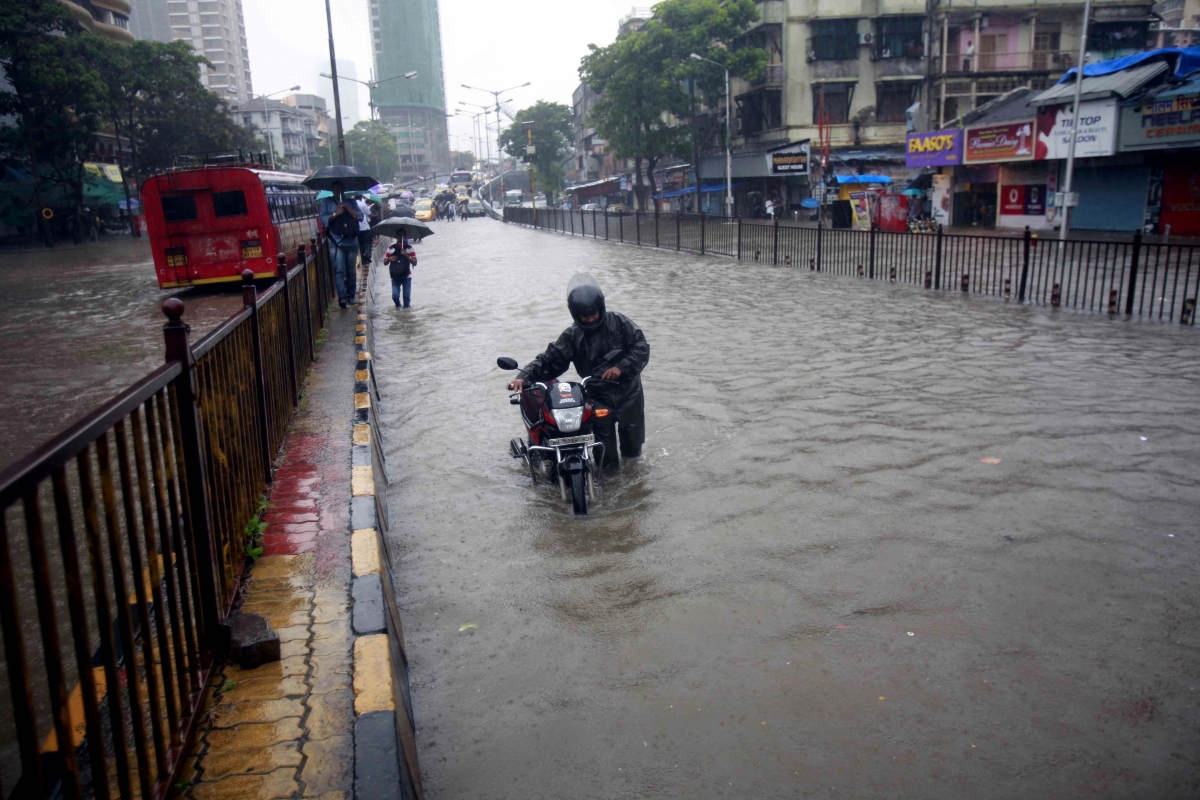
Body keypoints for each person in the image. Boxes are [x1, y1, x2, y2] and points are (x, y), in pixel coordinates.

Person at [506, 274, 649, 467]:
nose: (590, 319)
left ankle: (633, 482)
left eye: (594, 313)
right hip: (598, 397)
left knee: (633, 452)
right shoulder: (573, 336)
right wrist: (524, 376)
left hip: (629, 394)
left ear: (601, 308)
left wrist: (621, 368)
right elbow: (550, 359)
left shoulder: (619, 322)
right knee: (604, 454)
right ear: (575, 314)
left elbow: (641, 347)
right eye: (585, 315)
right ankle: (606, 483)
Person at [318, 180, 361, 307]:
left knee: (351, 271)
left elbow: (360, 216)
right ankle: (342, 297)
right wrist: (336, 213)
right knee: (339, 270)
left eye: (340, 189)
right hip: (336, 242)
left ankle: (351, 296)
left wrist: (347, 208)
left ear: (343, 190)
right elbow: (322, 219)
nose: (338, 191)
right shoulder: (326, 202)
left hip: (352, 242)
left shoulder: (352, 202)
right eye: (335, 189)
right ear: (332, 190)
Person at [386, 237, 416, 308]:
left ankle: (406, 314)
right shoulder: (391, 248)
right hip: (395, 276)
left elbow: (415, 262)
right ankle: (398, 306)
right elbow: (385, 262)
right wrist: (390, 258)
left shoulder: (410, 248)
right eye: (399, 236)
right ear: (396, 237)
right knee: (395, 296)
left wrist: (406, 255)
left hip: (407, 276)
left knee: (406, 298)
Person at [355, 194, 374, 267]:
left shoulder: (350, 205)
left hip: (356, 228)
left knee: (361, 244)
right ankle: (367, 255)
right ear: (361, 197)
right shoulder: (363, 204)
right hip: (365, 227)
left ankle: (363, 259)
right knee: (368, 241)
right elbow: (370, 215)